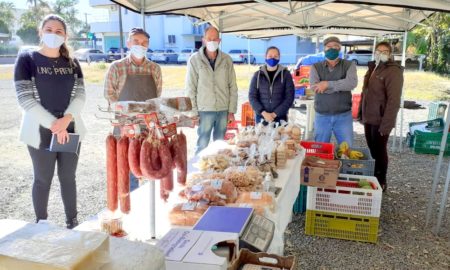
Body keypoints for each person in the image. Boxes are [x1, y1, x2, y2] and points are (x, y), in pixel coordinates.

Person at [14, 14, 86, 229]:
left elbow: (80, 94)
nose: (53, 34)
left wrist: (66, 120)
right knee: (42, 179)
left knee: (68, 178)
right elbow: (24, 97)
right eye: (49, 30)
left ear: (65, 36)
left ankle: (72, 222)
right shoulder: (27, 59)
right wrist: (55, 124)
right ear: (40, 32)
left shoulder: (72, 63)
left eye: (58, 31)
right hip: (40, 130)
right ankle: (41, 224)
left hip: (70, 129)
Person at [104, 27, 162, 191]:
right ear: (128, 43)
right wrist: (126, 117)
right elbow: (109, 95)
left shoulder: (154, 69)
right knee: (127, 168)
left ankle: (149, 203)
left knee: (150, 164)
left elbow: (157, 96)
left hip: (148, 126)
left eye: (144, 42)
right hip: (125, 126)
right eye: (136, 41)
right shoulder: (117, 67)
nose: (140, 45)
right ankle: (129, 204)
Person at [185, 26, 238, 154]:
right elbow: (190, 88)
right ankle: (198, 172)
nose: (212, 41)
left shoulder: (226, 60)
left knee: (220, 145)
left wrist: (231, 111)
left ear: (219, 41)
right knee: (202, 144)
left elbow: (233, 86)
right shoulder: (195, 60)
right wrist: (193, 113)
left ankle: (217, 172)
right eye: (209, 38)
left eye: (215, 39)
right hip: (204, 110)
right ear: (203, 40)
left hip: (223, 109)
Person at [360, 41, 403, 191]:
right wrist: (361, 113)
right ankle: (374, 177)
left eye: (385, 51)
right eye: (378, 51)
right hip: (369, 117)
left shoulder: (393, 71)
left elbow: (394, 100)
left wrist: (386, 124)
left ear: (390, 54)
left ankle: (381, 180)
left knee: (380, 149)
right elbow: (366, 92)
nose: (381, 54)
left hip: (381, 119)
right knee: (372, 149)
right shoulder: (373, 67)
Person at [309, 36, 358, 146]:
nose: (332, 49)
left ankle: (345, 164)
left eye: (335, 46)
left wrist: (327, 84)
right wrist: (340, 86)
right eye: (329, 46)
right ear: (324, 49)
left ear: (340, 48)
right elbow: (315, 87)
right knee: (320, 149)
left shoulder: (349, 65)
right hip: (322, 116)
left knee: (347, 149)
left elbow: (351, 83)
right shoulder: (315, 67)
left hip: (343, 116)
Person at [249, 46, 295, 125]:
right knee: (261, 137)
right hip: (261, 117)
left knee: (279, 137)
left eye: (275, 56)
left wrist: (274, 114)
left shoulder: (286, 74)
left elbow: (289, 97)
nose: (272, 58)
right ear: (265, 57)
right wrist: (263, 113)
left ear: (279, 57)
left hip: (280, 117)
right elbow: (252, 96)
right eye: (270, 56)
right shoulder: (257, 75)